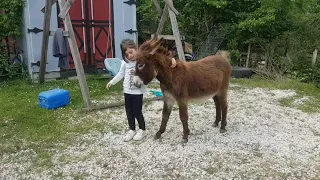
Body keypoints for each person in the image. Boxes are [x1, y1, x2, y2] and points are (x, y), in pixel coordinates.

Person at [106, 39, 147, 142]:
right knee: (129, 112)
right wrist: (112, 82)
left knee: (137, 112)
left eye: (131, 52)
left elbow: (146, 77)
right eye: (127, 54)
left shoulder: (142, 61)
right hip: (127, 91)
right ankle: (132, 129)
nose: (130, 55)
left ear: (136, 49)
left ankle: (142, 130)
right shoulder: (125, 62)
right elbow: (120, 74)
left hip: (138, 92)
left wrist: (138, 74)